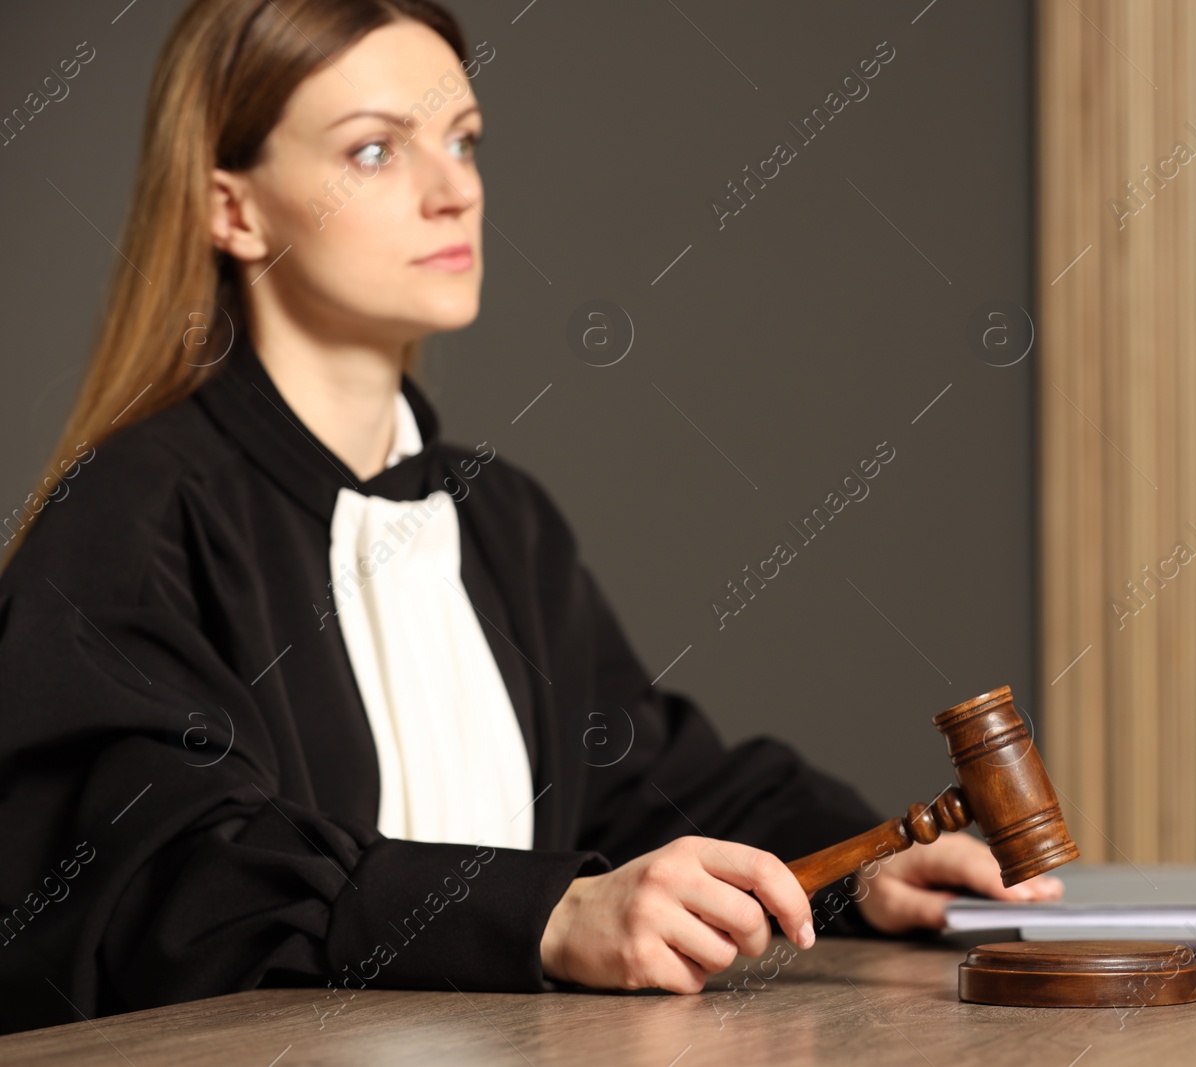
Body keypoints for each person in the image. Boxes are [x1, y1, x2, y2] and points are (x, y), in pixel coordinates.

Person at [0, 0, 1058, 1034]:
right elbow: (165, 880)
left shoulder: (497, 515)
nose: (452, 189)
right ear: (233, 208)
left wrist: (858, 861)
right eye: (375, 151)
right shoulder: (127, 523)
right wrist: (547, 913)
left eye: (462, 140)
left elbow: (637, 778)